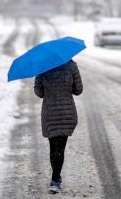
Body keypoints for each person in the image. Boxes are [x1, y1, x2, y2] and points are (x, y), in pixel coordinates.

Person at [33, 59, 83, 194]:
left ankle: (55, 179)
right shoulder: (71, 65)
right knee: (60, 147)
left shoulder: (42, 66)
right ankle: (55, 179)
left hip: (50, 113)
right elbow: (78, 90)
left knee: (53, 147)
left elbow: (39, 93)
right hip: (66, 112)